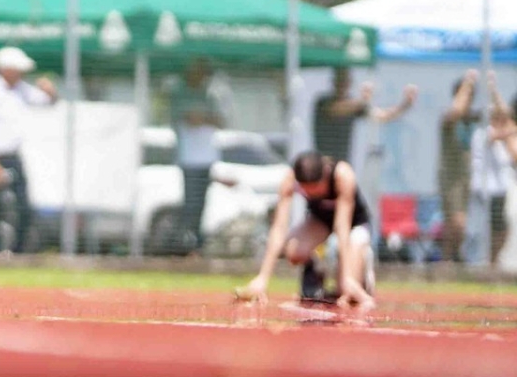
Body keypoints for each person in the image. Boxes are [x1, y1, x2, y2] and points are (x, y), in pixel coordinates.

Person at [237, 151, 377, 311]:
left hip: (354, 224)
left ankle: (362, 265)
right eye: (306, 190)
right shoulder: (290, 179)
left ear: (324, 175)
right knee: (293, 251)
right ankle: (318, 270)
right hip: (320, 221)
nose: (310, 193)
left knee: (345, 289)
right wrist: (263, 277)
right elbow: (279, 228)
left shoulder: (342, 175)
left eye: (315, 188)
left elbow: (342, 226)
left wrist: (347, 277)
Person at [0, 46, 56, 254]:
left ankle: (19, 252)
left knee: (23, 207)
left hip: (14, 156)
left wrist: (51, 91)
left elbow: (47, 101)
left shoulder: (21, 90)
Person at [168, 59, 226, 255]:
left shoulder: (209, 96)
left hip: (206, 158)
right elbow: (189, 119)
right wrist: (204, 118)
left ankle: (196, 244)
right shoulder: (180, 93)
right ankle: (183, 245)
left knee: (201, 203)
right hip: (189, 158)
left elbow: (220, 120)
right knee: (190, 203)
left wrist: (203, 118)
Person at [313, 67, 417, 163]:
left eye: (345, 80)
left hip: (343, 165)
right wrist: (364, 100)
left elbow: (382, 116)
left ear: (350, 82)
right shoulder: (322, 102)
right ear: (334, 81)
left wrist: (405, 105)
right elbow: (337, 109)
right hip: (323, 165)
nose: (342, 84)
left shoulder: (356, 105)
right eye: (340, 80)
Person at [466, 79, 513, 267]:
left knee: (501, 229)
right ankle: (482, 263)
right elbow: (500, 132)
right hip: (485, 191)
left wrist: (494, 89)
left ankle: (492, 262)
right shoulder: (483, 132)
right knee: (483, 231)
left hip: (499, 191)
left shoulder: (504, 140)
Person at [438, 72, 480, 262]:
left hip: (467, 178)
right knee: (456, 223)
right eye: (466, 94)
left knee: (455, 225)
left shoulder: (472, 119)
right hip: (451, 177)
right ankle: (452, 260)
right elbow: (456, 110)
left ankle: (449, 262)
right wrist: (468, 82)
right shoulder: (448, 118)